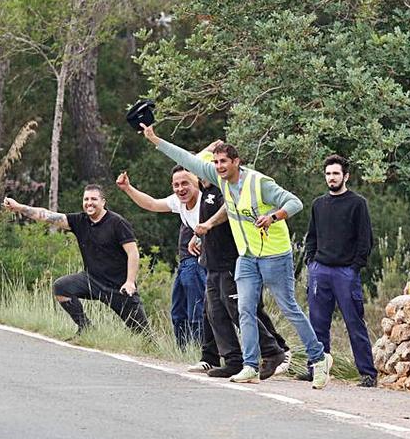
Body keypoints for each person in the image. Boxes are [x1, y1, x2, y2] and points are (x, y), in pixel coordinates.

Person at [140, 123, 332, 389]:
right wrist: (155, 140)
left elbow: (295, 203)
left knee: (289, 308)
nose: (218, 166)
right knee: (244, 310)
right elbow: (185, 159)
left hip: (275, 255)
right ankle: (250, 366)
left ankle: (319, 358)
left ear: (236, 162)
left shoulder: (259, 183)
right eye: (215, 162)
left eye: (223, 162)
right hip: (247, 257)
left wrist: (273, 216)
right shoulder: (220, 179)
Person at [3, 185, 149, 337]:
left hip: (118, 287)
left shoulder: (117, 223)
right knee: (61, 287)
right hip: (91, 280)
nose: (89, 203)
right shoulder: (80, 220)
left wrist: (130, 282)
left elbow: (133, 253)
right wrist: (19, 207)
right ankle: (86, 328)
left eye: (94, 199)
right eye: (86, 199)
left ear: (103, 202)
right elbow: (46, 215)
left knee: (144, 336)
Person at [188, 178, 291, 379]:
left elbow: (228, 209)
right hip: (212, 263)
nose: (200, 174)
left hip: (230, 261)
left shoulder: (225, 189)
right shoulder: (205, 191)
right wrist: (199, 236)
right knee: (214, 313)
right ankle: (233, 360)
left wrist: (208, 224)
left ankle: (272, 351)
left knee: (238, 311)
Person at [304, 154, 377, 387]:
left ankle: (367, 374)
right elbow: (311, 236)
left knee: (354, 322)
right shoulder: (318, 204)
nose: (331, 178)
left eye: (336, 173)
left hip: (346, 272)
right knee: (317, 324)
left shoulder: (358, 203)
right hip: (320, 271)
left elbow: (365, 240)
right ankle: (316, 369)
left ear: (345, 176)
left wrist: (355, 266)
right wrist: (310, 261)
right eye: (328, 174)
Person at [115, 165, 206, 349]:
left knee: (197, 311)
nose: (180, 189)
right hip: (186, 262)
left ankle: (201, 352)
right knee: (178, 312)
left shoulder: (206, 201)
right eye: (176, 185)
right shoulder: (179, 202)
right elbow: (152, 204)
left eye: (185, 183)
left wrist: (201, 239)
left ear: (196, 181)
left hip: (199, 263)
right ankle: (183, 352)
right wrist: (128, 188)